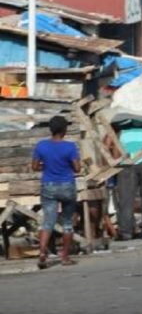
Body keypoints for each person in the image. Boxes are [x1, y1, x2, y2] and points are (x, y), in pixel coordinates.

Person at [31, 115, 81, 268]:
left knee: (48, 222)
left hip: (49, 186)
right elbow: (77, 168)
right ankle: (65, 257)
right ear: (65, 129)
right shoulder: (70, 147)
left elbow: (34, 166)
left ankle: (41, 253)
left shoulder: (41, 146)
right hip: (67, 185)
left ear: (51, 129)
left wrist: (46, 167)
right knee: (67, 223)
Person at [115, 122, 142, 241]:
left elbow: (114, 150)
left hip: (127, 162)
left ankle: (126, 232)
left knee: (126, 199)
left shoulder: (121, 131)